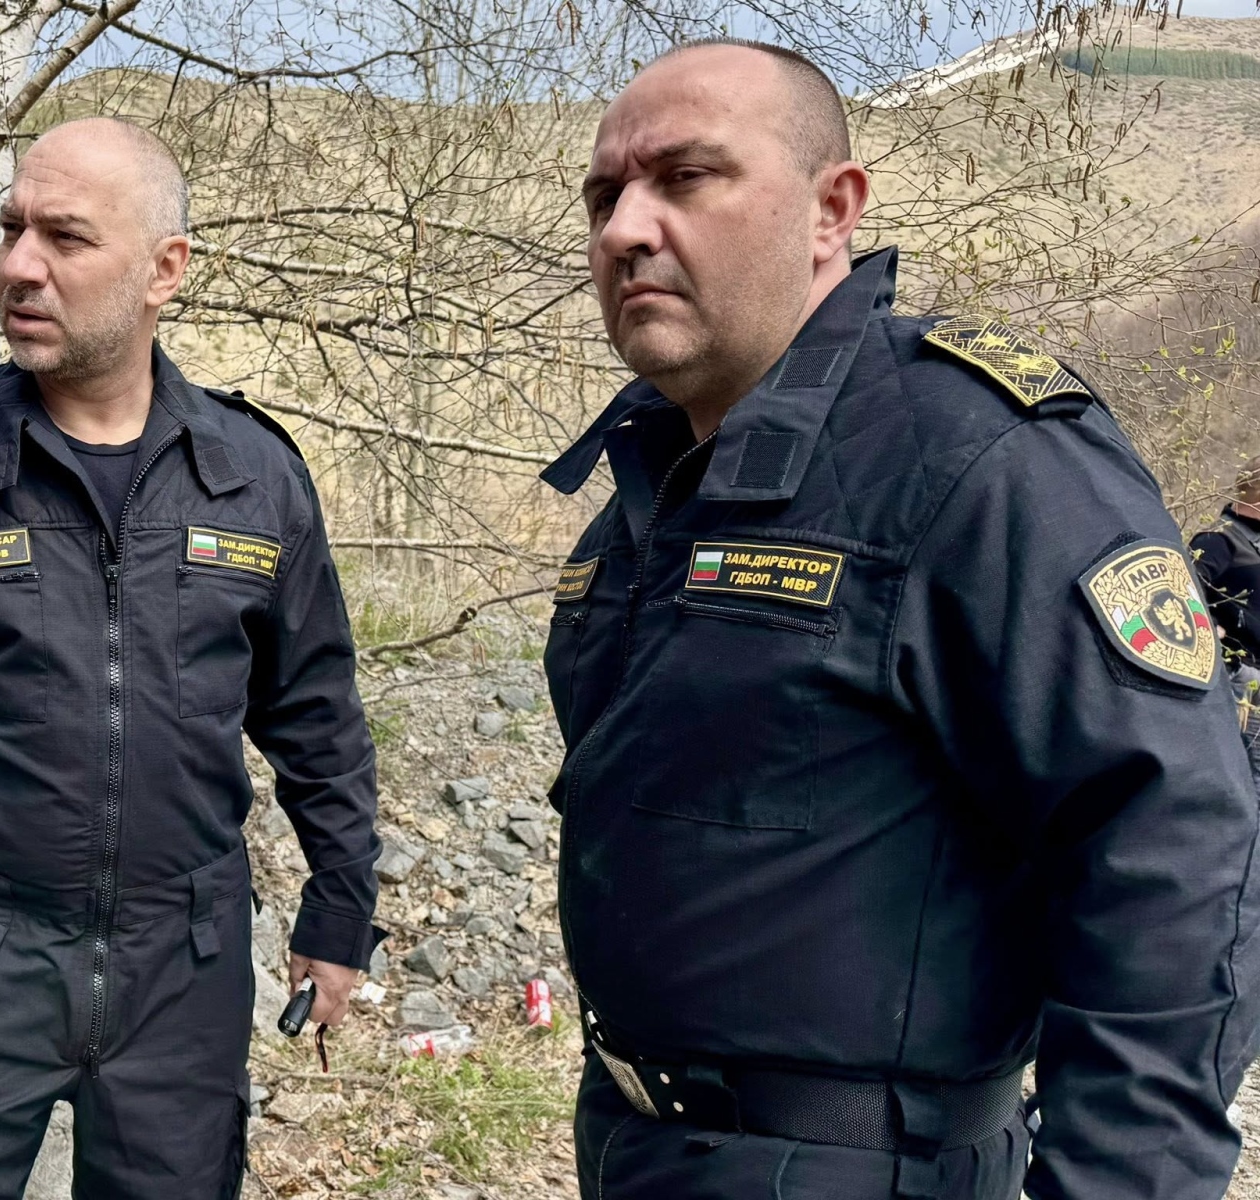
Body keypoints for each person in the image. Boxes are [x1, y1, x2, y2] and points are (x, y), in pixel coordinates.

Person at [539, 39, 1260, 1200]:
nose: (624, 229)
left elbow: (1172, 851)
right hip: (638, 1151)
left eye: (684, 177)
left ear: (833, 210)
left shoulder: (976, 457)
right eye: (602, 196)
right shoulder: (649, 491)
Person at [0, 117, 383, 1198]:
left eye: (65, 236)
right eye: (12, 229)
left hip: (184, 970)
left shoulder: (253, 475)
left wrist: (339, 911)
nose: (18, 265)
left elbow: (316, 714)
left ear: (164, 270)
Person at [1192, 468, 1260, 665]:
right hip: (1238, 669)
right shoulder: (1216, 540)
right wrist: (1210, 627)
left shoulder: (1253, 539)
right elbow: (1183, 586)